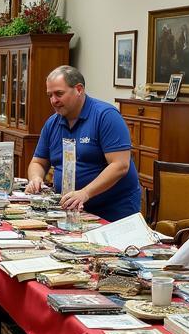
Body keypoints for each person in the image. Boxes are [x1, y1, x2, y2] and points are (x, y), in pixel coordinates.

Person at [25, 65, 141, 220]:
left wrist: (85, 193)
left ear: (79, 89)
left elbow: (120, 165)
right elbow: (38, 162)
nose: (53, 101)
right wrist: (36, 178)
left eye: (59, 94)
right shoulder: (52, 123)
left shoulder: (106, 116)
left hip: (113, 212)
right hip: (71, 212)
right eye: (50, 95)